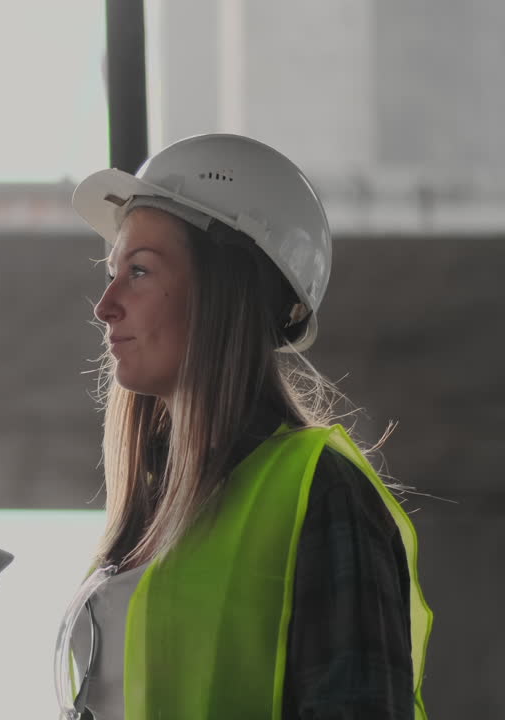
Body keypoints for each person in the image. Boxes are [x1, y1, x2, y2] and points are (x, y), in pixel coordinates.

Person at [55, 133, 433, 719]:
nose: (104, 304)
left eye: (138, 271)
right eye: (113, 271)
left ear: (220, 292)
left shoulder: (323, 496)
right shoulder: (150, 509)